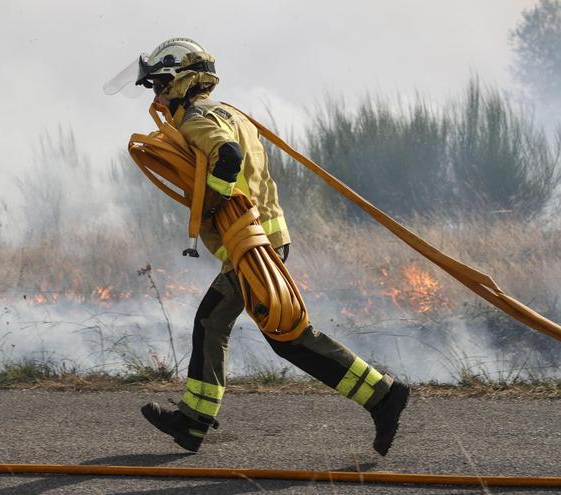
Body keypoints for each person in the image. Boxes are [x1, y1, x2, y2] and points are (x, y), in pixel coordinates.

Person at [107, 37, 409, 455]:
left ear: (181, 81)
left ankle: (382, 395)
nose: (156, 96)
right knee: (218, 323)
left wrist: (212, 204)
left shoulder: (196, 118)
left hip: (250, 244)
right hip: (261, 238)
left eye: (159, 85)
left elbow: (228, 156)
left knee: (285, 336)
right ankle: (194, 421)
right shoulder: (229, 112)